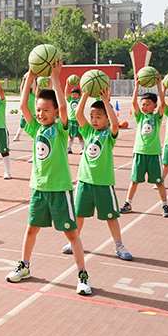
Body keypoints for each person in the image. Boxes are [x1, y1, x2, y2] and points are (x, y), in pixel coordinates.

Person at [6, 60, 91, 295]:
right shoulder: (36, 128)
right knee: (31, 229)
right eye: (39, 109)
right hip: (39, 188)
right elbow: (24, 105)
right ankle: (24, 266)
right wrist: (30, 77)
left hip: (60, 188)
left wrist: (55, 77)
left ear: (54, 112)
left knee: (71, 234)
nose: (41, 113)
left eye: (46, 109)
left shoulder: (61, 129)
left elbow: (64, 107)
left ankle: (82, 275)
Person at [61, 86, 133, 261]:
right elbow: (78, 115)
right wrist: (85, 94)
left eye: (98, 117)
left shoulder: (109, 134)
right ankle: (73, 242)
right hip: (84, 181)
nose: (93, 120)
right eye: (92, 116)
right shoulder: (88, 131)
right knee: (78, 215)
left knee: (111, 216)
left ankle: (118, 245)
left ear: (107, 119)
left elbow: (116, 124)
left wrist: (107, 102)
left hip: (103, 182)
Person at [119, 74, 168, 217]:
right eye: (143, 104)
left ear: (154, 105)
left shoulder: (156, 118)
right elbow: (134, 103)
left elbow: (163, 105)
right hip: (139, 153)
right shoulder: (140, 116)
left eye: (147, 104)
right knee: (134, 181)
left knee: (159, 182)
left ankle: (165, 206)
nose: (144, 106)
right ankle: (128, 203)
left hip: (153, 154)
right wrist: (136, 87)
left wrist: (160, 87)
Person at [12, 74, 36, 143]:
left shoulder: (32, 95)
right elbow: (21, 88)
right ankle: (17, 136)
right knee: (21, 126)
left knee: (33, 126)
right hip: (24, 114)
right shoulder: (23, 95)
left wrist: (34, 79)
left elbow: (34, 88)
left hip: (32, 114)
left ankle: (35, 137)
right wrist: (24, 80)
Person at [66, 86, 85, 154]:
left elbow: (84, 94)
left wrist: (82, 84)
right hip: (71, 120)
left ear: (79, 95)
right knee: (71, 136)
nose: (74, 95)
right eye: (73, 94)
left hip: (78, 120)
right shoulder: (70, 100)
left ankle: (83, 148)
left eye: (76, 94)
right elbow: (66, 93)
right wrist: (67, 84)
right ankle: (69, 148)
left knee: (80, 136)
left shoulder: (80, 100)